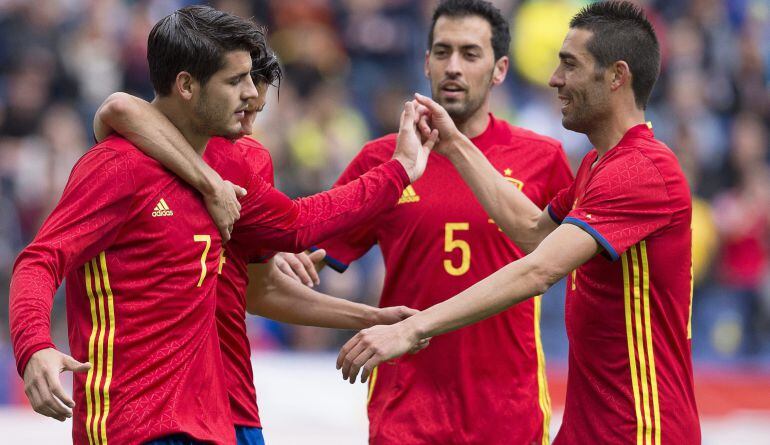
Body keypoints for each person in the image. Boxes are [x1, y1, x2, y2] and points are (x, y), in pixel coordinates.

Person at [10, 6, 433, 445]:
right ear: (187, 85)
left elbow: (299, 224)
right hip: (130, 427)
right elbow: (40, 260)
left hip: (212, 424)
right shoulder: (116, 167)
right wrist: (34, 344)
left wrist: (399, 170)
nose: (251, 94)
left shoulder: (233, 166)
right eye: (236, 81)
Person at [338, 2, 701, 443]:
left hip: (644, 430)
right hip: (588, 430)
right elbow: (533, 232)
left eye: (569, 65)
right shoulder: (596, 166)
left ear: (616, 76)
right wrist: (453, 145)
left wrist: (411, 328)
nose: (554, 79)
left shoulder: (640, 169)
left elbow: (539, 269)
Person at [283, 1, 573, 443]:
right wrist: (289, 261)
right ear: (426, 63)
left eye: (470, 54)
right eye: (442, 52)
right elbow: (308, 255)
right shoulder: (382, 160)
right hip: (406, 417)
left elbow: (562, 264)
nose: (453, 66)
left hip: (509, 415)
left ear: (499, 70)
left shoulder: (543, 159)